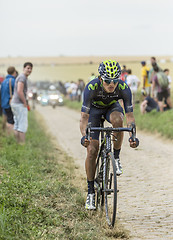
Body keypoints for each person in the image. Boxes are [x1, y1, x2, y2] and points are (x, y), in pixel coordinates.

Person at [80, 60, 139, 210]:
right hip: (93, 112)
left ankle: (116, 157)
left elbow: (130, 117)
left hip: (112, 108)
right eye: (107, 81)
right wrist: (84, 136)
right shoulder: (91, 87)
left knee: (118, 120)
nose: (111, 84)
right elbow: (84, 118)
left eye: (115, 80)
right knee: (92, 150)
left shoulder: (124, 88)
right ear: (101, 79)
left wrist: (133, 136)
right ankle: (91, 192)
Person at [11, 62, 33, 144]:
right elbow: (19, 91)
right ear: (23, 68)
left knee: (17, 125)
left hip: (15, 103)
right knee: (22, 126)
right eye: (28, 68)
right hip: (19, 104)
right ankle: (22, 145)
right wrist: (25, 102)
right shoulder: (22, 78)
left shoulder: (21, 77)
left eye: (31, 69)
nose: (29, 70)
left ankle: (17, 144)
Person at [1, 66, 17, 135]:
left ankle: (3, 133)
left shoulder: (4, 81)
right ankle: (10, 135)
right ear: (14, 72)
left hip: (4, 103)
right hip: (10, 103)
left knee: (6, 119)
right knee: (11, 121)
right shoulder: (13, 81)